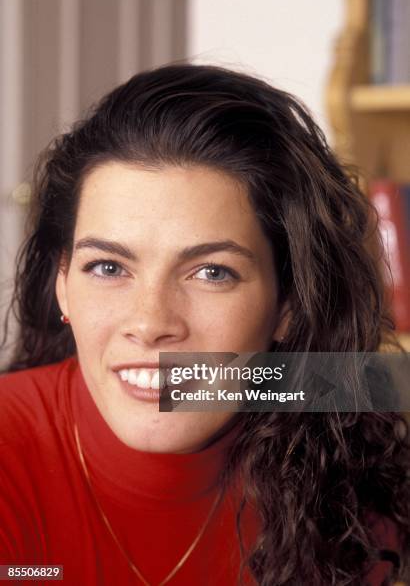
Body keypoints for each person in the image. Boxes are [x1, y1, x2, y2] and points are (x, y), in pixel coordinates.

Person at [0, 63, 409, 586]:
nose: (150, 324)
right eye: (108, 267)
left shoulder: (348, 482)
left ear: (288, 302)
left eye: (212, 272)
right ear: (62, 285)